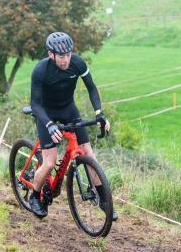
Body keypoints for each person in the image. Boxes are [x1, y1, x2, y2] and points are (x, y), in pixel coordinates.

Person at [29, 31, 118, 221]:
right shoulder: (41, 70)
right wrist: (49, 125)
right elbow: (35, 104)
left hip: (69, 110)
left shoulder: (77, 63)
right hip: (46, 114)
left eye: (68, 54)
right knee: (50, 162)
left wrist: (99, 113)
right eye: (61, 56)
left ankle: (104, 201)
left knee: (88, 154)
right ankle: (34, 196)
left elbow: (91, 88)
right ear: (50, 54)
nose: (66, 60)